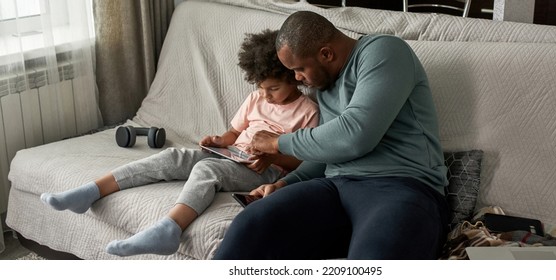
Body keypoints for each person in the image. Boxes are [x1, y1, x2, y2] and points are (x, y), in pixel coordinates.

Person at [39, 29, 319, 257]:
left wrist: (274, 156)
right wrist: (218, 141)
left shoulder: (308, 111)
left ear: (293, 78)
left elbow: (303, 160)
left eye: (274, 89)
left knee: (208, 170)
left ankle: (169, 229)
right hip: (233, 155)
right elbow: (233, 133)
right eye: (261, 88)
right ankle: (91, 191)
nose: (266, 96)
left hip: (264, 169)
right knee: (173, 157)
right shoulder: (256, 100)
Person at [213, 11, 450, 260]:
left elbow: (355, 135)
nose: (297, 79)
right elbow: (327, 154)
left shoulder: (385, 51)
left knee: (374, 258)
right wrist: (284, 184)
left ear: (326, 53)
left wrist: (277, 143)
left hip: (403, 187)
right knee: (250, 225)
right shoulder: (326, 87)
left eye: (299, 69)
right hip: (335, 186)